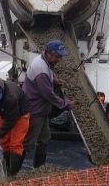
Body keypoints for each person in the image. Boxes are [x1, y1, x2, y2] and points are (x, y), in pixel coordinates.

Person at [22, 39, 74, 168]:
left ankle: (39, 168)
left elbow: (47, 78)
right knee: (28, 143)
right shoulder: (41, 69)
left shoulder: (43, 60)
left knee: (44, 138)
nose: (59, 59)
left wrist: (55, 81)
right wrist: (65, 104)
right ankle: (13, 170)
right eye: (58, 56)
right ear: (49, 54)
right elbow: (48, 94)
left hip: (41, 109)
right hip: (34, 110)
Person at [0, 76, 30, 176]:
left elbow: (11, 120)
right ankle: (7, 167)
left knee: (15, 144)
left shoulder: (11, 97)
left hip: (19, 114)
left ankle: (13, 173)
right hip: (3, 112)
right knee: (5, 142)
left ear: (2, 93)